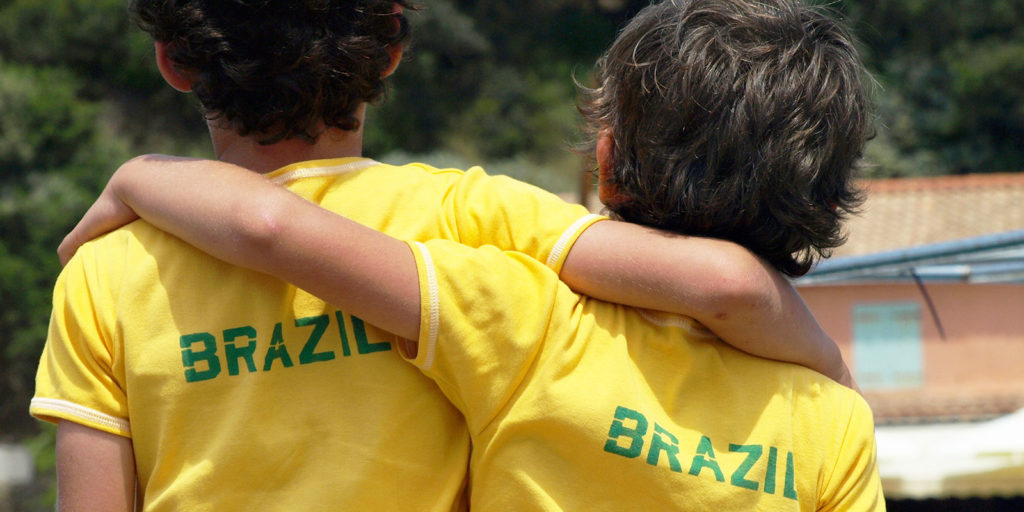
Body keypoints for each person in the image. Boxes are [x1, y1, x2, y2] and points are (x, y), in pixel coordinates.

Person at [53, 0, 882, 510]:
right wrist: (826, 368)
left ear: (172, 61)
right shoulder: (467, 216)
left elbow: (272, 230)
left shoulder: (103, 273)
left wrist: (141, 176)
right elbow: (722, 284)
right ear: (391, 52)